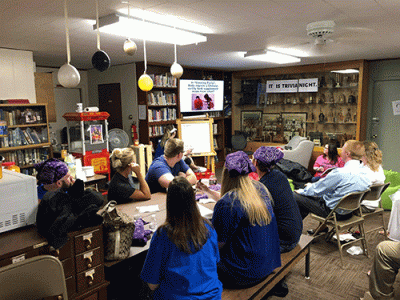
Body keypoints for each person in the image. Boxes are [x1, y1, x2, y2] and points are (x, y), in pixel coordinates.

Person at [198, 151, 281, 289]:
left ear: (225, 174)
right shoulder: (260, 189)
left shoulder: (228, 202)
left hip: (243, 273)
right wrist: (208, 191)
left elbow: (218, 245)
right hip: (268, 264)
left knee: (195, 255)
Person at [140, 177, 222, 299]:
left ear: (169, 202)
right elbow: (215, 261)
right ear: (193, 201)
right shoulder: (208, 228)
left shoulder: (164, 235)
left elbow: (152, 284)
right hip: (212, 295)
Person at [293, 140, 371, 227]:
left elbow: (317, 190)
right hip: (350, 212)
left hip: (333, 213)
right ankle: (293, 230)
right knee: (306, 199)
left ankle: (290, 231)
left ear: (347, 153)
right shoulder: (367, 173)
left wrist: (302, 191)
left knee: (294, 195)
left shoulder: (340, 173)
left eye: (343, 148)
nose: (341, 151)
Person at [253, 146, 303, 253]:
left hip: (284, 241)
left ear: (255, 163)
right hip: (296, 233)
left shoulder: (262, 187)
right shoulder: (279, 175)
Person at [361, 141, 386, 212]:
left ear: (365, 154)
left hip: (363, 206)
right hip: (374, 204)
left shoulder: (365, 170)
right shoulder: (379, 167)